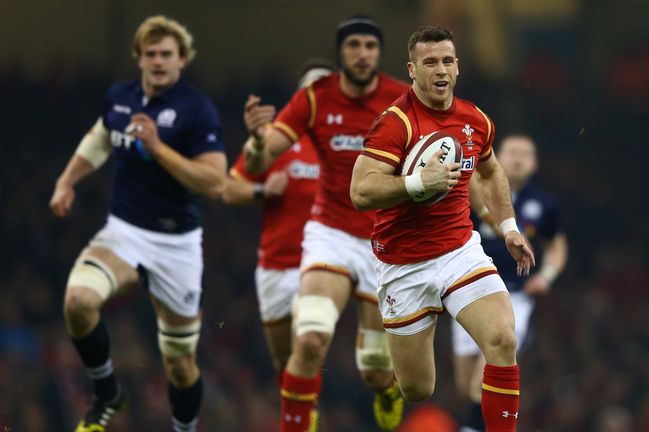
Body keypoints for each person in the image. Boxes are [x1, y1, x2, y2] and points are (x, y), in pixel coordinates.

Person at [350, 26, 535, 432]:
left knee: (504, 340)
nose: (440, 70)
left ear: (457, 67)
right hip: (404, 265)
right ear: (412, 70)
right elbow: (361, 191)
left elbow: (490, 171)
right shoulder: (394, 124)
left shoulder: (474, 119)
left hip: (459, 252)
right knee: (418, 389)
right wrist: (419, 183)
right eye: (429, 62)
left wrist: (507, 226)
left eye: (447, 61)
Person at [49, 15, 226, 432]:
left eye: (167, 54)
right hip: (124, 233)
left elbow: (215, 179)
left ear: (182, 61)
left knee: (180, 366)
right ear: (139, 59)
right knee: (78, 302)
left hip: (177, 245)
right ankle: (107, 393)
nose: (158, 61)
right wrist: (66, 180)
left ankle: (185, 429)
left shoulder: (196, 110)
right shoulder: (120, 97)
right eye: (150, 54)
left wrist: (158, 149)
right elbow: (99, 137)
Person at [241, 15, 410, 432]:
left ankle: (387, 389)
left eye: (370, 46)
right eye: (353, 45)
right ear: (341, 53)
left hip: (381, 240)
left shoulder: (402, 99)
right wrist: (259, 140)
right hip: (329, 233)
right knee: (311, 336)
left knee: (373, 366)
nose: (362, 54)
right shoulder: (316, 98)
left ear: (379, 52)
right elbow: (260, 161)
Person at [222, 59, 332, 380]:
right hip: (274, 266)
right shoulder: (276, 138)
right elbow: (229, 190)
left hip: (319, 269)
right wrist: (261, 191)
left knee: (309, 342)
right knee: (284, 365)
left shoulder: (348, 145)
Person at [453, 135, 569, 432]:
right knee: (466, 386)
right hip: (468, 291)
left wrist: (547, 276)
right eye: (511, 152)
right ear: (497, 157)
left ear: (534, 163)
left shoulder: (544, 204)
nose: (517, 158)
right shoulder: (475, 191)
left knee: (485, 377)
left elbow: (557, 245)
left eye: (524, 154)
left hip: (513, 296)